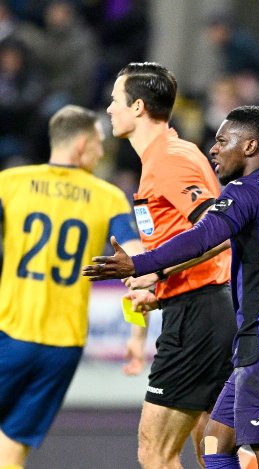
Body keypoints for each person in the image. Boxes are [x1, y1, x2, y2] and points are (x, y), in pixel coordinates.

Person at [84, 104, 259, 469]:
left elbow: (203, 236)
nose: (214, 149)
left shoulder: (246, 190)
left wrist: (139, 264)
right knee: (215, 444)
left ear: (250, 146)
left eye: (223, 140)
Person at [106, 62, 236, 469]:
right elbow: (192, 242)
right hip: (200, 308)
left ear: (138, 107)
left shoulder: (169, 159)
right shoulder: (166, 157)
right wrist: (157, 292)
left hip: (197, 318)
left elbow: (220, 232)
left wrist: (155, 271)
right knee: (211, 450)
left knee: (155, 451)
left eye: (115, 100)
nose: (109, 109)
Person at [0, 105, 141, 468]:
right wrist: (137, 331)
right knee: (13, 447)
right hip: (62, 348)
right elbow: (136, 264)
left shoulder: (10, 184)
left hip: (10, 332)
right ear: (80, 144)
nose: (100, 152)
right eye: (97, 143)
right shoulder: (107, 197)